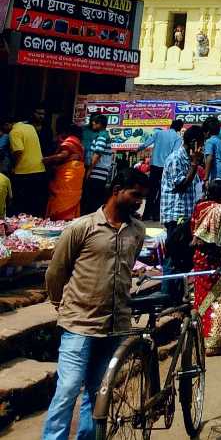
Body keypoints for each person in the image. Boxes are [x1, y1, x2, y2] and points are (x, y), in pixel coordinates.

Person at [42, 168, 149, 440]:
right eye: (135, 195)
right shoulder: (81, 227)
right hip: (79, 323)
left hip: (115, 325)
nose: (139, 202)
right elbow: (56, 272)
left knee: (99, 393)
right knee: (67, 390)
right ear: (116, 191)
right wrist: (60, 304)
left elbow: (128, 265)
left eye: (142, 197)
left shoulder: (137, 231)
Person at [191, 179, 221, 354]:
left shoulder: (199, 206)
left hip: (201, 260)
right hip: (218, 261)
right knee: (220, 300)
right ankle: (214, 342)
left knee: (202, 298)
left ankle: (201, 338)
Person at [161, 126, 205, 302]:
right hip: (175, 214)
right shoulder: (176, 159)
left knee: (182, 260)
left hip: (186, 214)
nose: (203, 147)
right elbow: (180, 185)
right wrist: (195, 164)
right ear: (194, 143)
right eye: (202, 143)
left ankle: (177, 298)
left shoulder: (188, 160)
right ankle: (167, 299)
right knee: (172, 259)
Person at [136, 119, 184, 221]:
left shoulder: (159, 133)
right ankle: (156, 215)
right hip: (166, 168)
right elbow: (174, 154)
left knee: (152, 191)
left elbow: (146, 144)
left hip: (154, 166)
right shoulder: (178, 138)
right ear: (179, 128)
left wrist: (138, 149)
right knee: (162, 191)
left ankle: (146, 215)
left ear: (171, 125)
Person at [10, 109, 48, 216]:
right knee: (34, 204)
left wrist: (13, 166)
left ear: (7, 124)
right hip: (40, 169)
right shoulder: (30, 127)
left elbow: (18, 151)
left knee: (21, 205)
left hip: (24, 172)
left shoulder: (14, 131)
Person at [44, 124, 87, 221]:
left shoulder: (70, 141)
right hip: (76, 175)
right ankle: (69, 220)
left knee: (62, 197)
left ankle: (59, 220)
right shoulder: (79, 143)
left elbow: (63, 155)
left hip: (68, 174)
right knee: (72, 198)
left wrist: (47, 159)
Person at [202, 117, 221, 183]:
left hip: (217, 178)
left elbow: (209, 158)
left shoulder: (209, 142)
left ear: (207, 132)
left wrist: (206, 178)